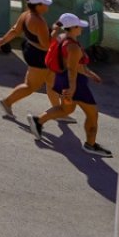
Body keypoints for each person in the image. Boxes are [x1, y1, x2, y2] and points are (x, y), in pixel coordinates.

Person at [34, 14, 108, 154]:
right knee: (93, 114)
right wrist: (72, 88)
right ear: (73, 28)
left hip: (61, 79)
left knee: (66, 109)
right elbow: (73, 69)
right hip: (76, 85)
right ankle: (90, 145)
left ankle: (38, 121)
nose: (81, 28)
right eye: (79, 26)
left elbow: (74, 64)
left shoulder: (60, 37)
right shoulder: (73, 47)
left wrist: (90, 74)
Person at [0, 0, 59, 117]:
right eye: (44, 3)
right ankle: (6, 102)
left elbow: (15, 30)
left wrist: (2, 40)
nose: (47, 6)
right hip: (39, 56)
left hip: (31, 49)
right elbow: (46, 44)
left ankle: (58, 110)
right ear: (38, 6)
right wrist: (55, 31)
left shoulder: (26, 15)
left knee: (52, 81)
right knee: (30, 86)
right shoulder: (39, 22)